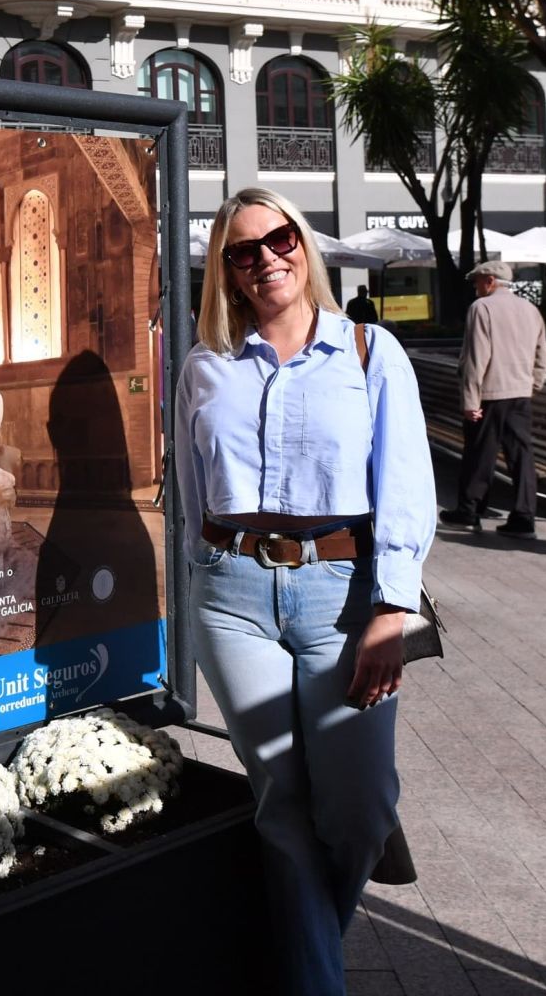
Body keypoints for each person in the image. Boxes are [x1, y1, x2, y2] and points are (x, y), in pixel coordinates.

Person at [175, 187, 434, 995]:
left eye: (277, 239)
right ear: (225, 271)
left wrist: (394, 607)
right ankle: (311, 979)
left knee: (356, 807)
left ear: (303, 243)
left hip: (342, 594)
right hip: (232, 592)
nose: (265, 261)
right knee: (281, 802)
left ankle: (316, 916)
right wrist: (199, 570)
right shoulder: (205, 364)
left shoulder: (367, 351)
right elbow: (190, 488)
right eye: (242, 252)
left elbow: (406, 486)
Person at [439, 261, 546, 539]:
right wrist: (532, 384)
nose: (475, 287)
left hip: (489, 394)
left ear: (489, 281)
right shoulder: (530, 310)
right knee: (521, 456)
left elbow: (478, 357)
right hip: (519, 392)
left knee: (479, 453)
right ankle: (524, 517)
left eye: (477, 281)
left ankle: (469, 511)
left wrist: (470, 400)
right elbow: (541, 355)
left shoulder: (482, 308)